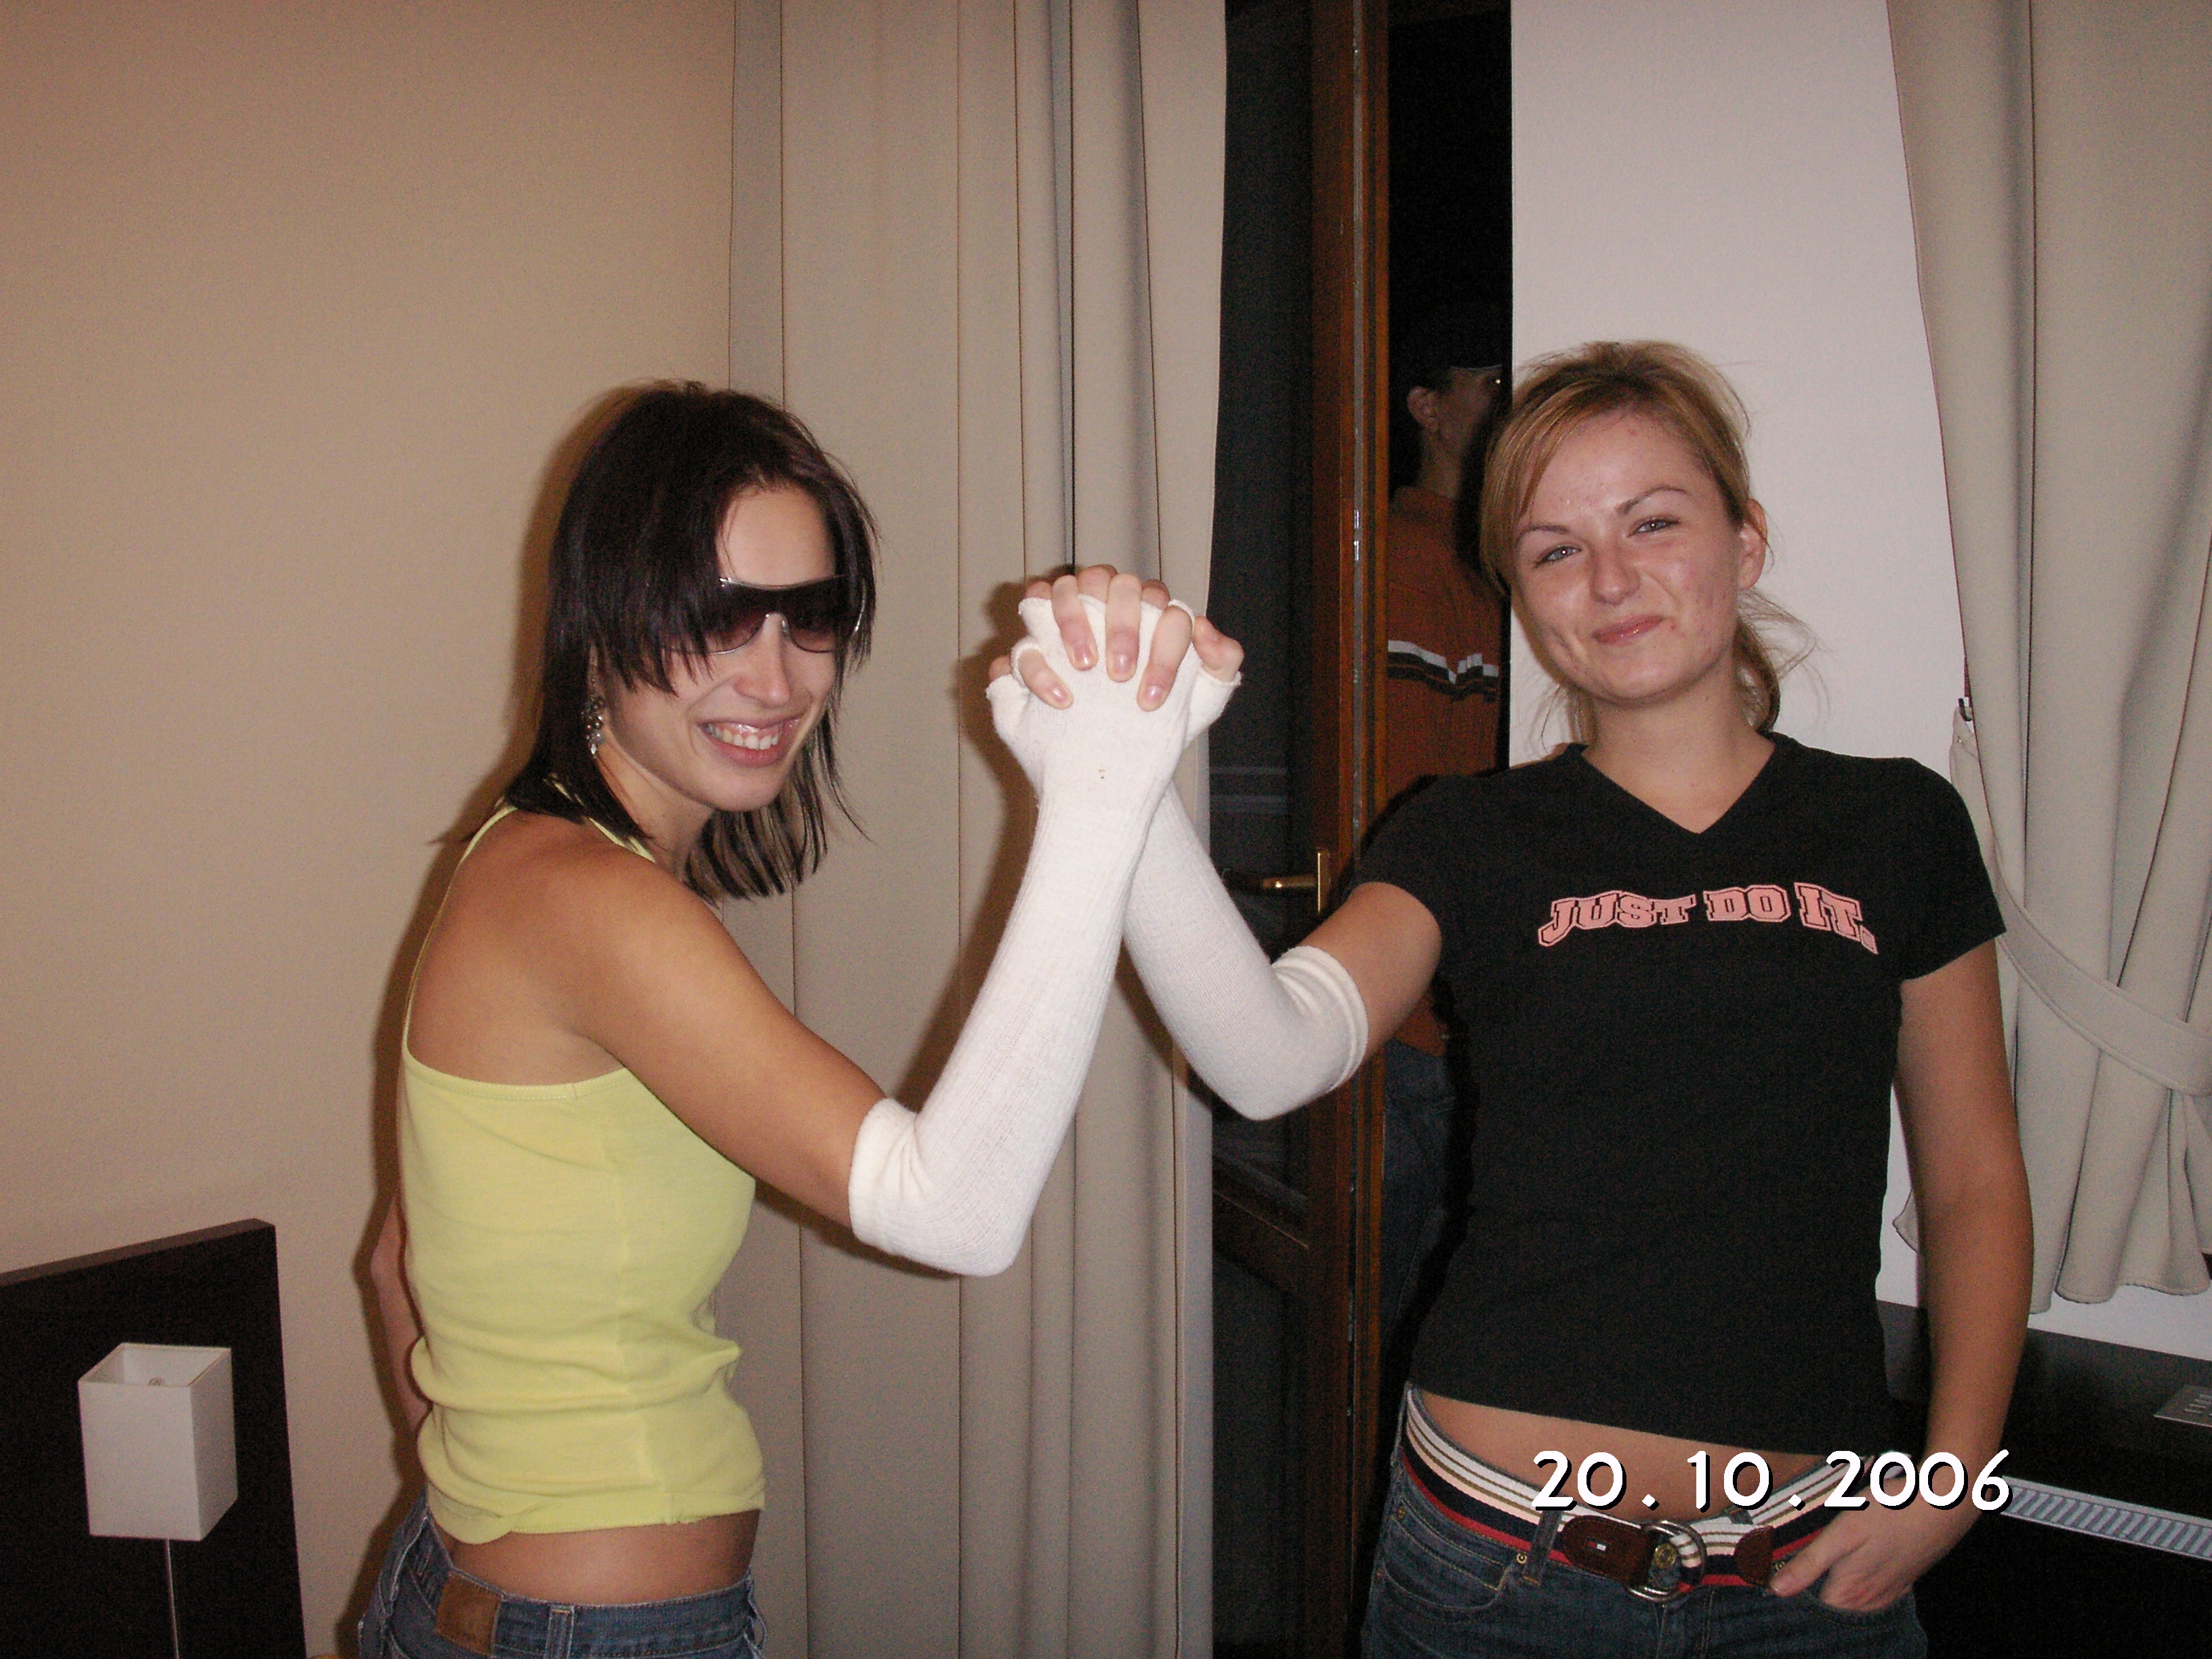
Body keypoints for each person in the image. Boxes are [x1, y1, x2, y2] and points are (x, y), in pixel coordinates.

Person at [1011, 342, 2031, 1656]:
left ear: (1745, 541)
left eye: (1653, 524)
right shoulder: (1468, 836)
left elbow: (1974, 1180)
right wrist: (1123, 779)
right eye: (1555, 550)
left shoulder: (1897, 825)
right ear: (1519, 593)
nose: (1609, 579)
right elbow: (1267, 1059)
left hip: (1813, 1581)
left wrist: (1956, 1479)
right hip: (1498, 1569)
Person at [361, 384, 1230, 1659]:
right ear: (600, 628)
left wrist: (489, 1528)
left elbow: (400, 1258)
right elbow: (956, 1210)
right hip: (595, 1627)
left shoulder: (523, 856)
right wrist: (1102, 789)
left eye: (808, 616)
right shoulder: (601, 906)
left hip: (476, 1589)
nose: (772, 677)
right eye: (714, 619)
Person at [1380, 302, 1510, 1359]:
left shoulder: (1506, 566)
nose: (1508, 396)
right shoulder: (1391, 555)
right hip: (1412, 998)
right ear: (1427, 408)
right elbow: (1393, 784)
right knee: (1385, 1302)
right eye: (1487, 379)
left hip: (1480, 987)